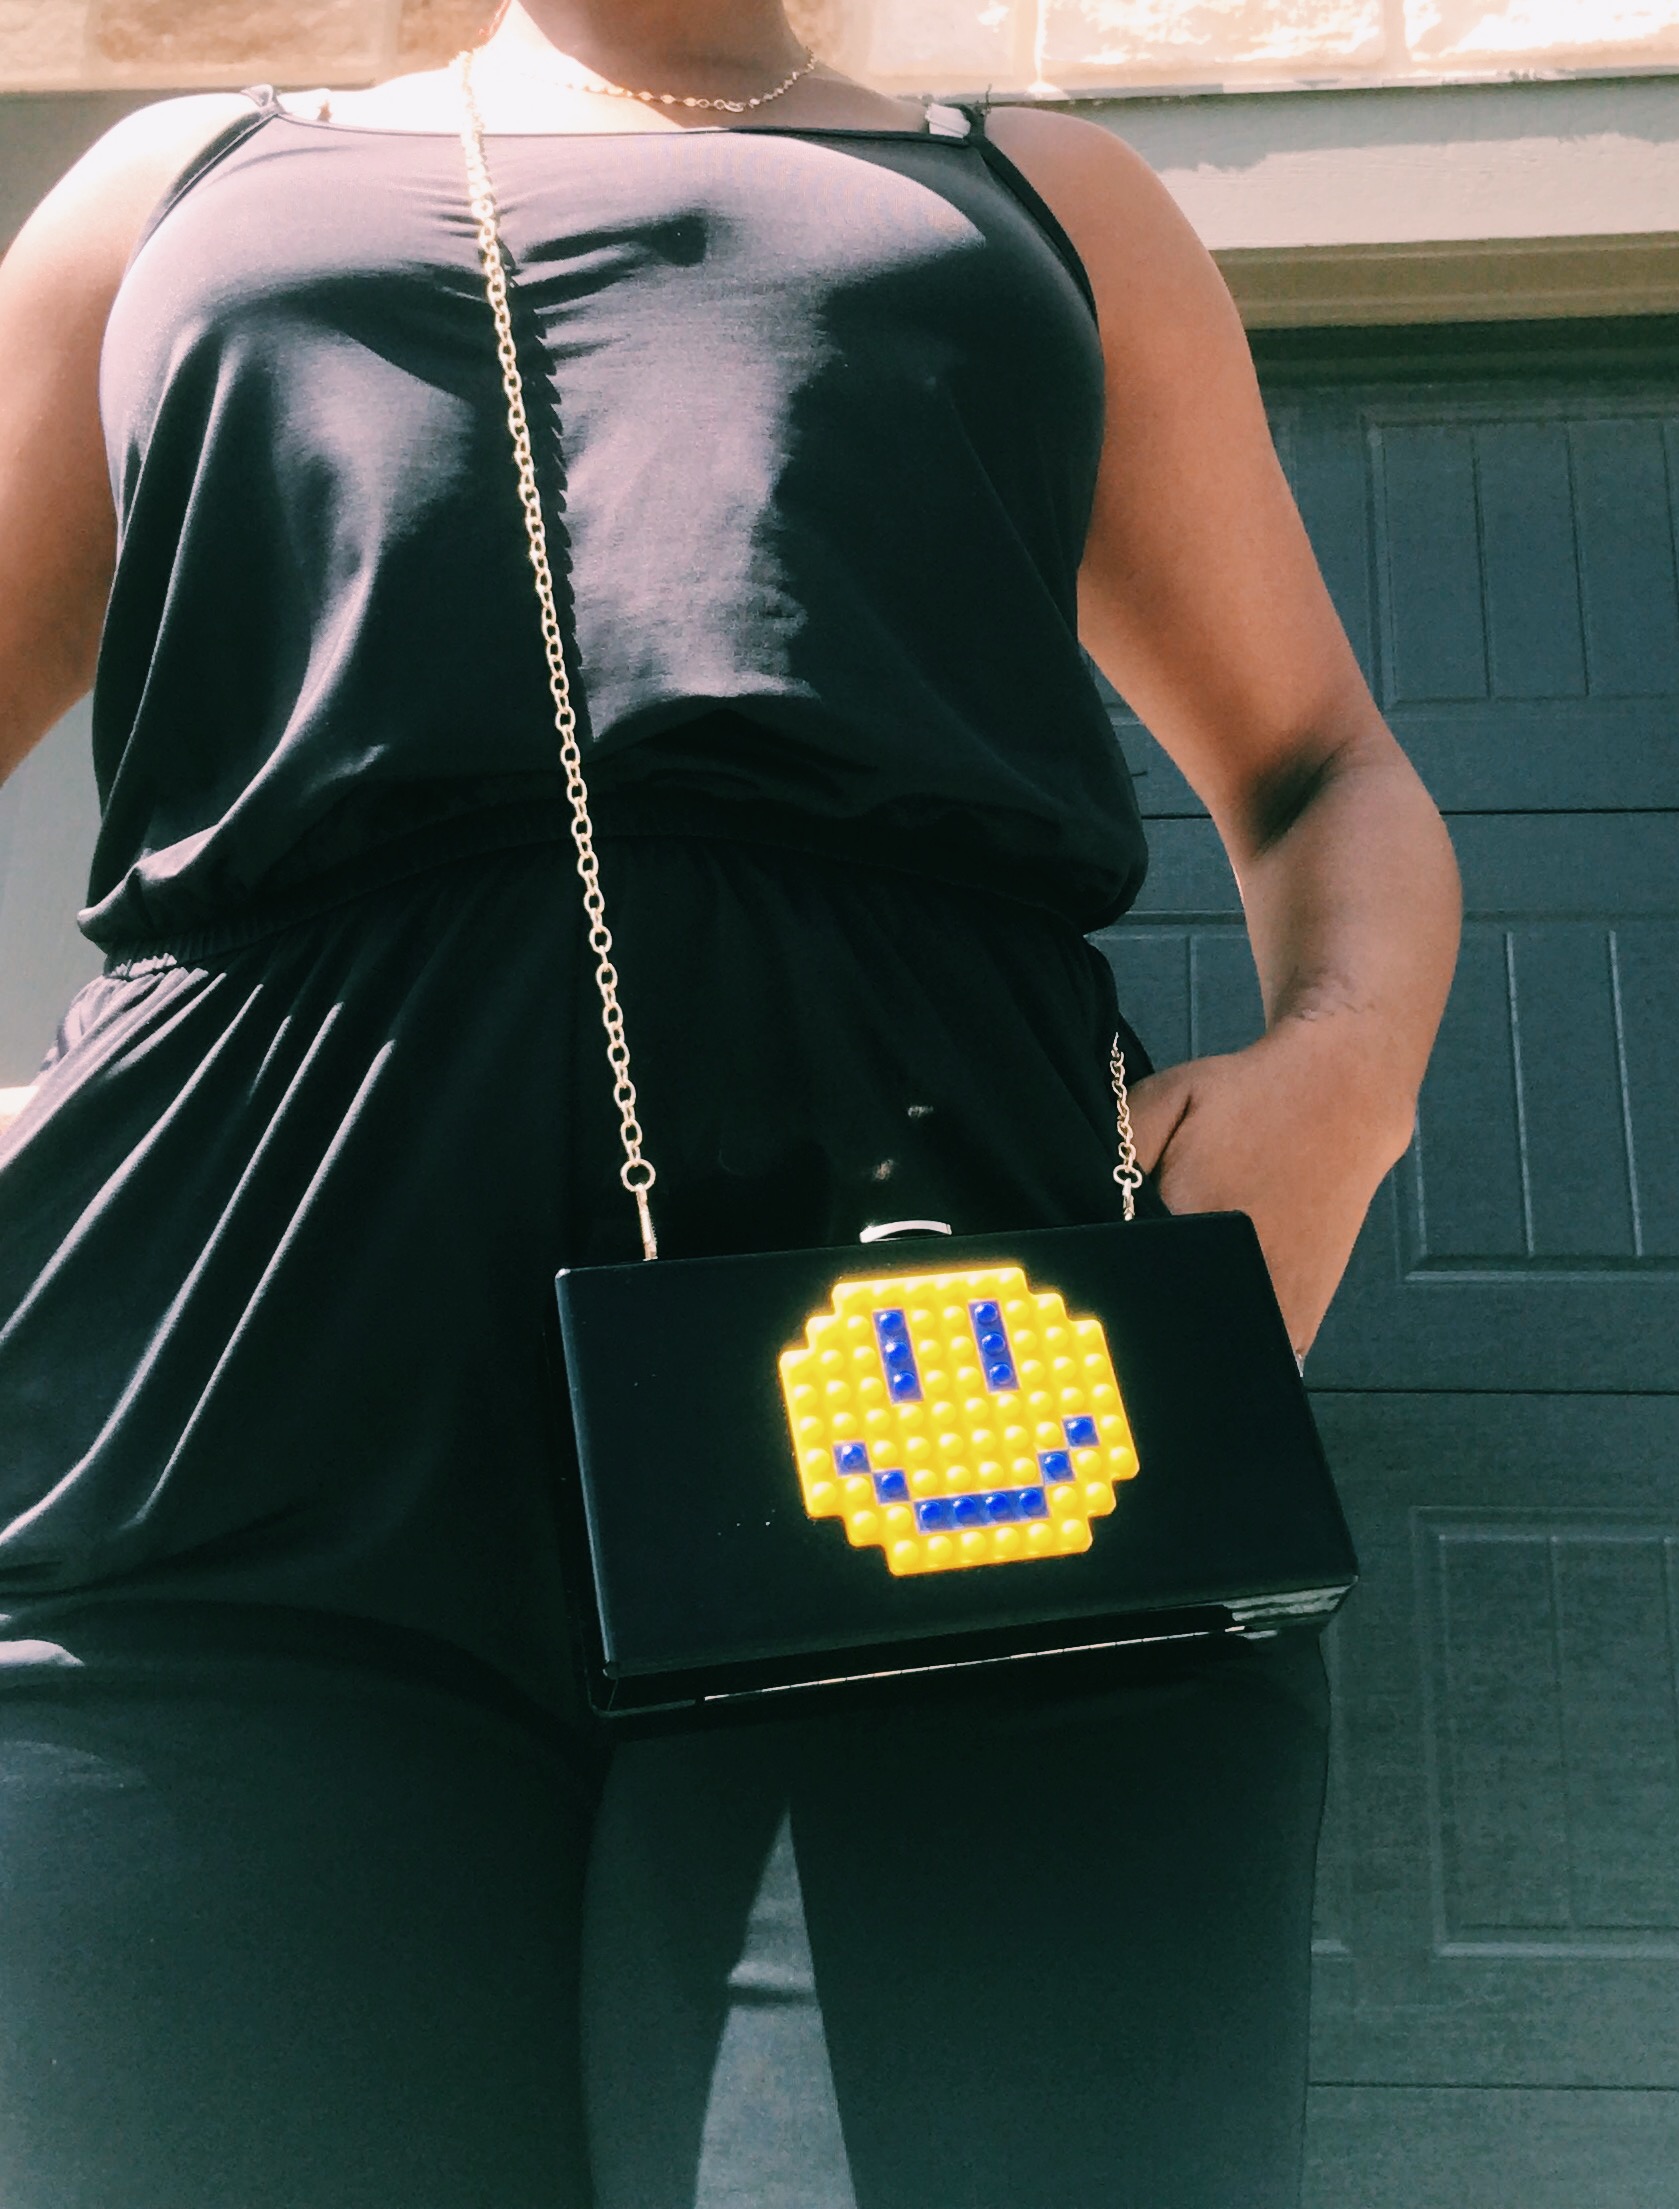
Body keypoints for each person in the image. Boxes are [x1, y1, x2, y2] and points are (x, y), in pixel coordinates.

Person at [0, 3, 1461, 2203]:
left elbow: (1318, 762)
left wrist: (1335, 1085)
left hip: (956, 1379)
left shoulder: (1040, 193)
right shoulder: (181, 184)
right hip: (221, 1404)